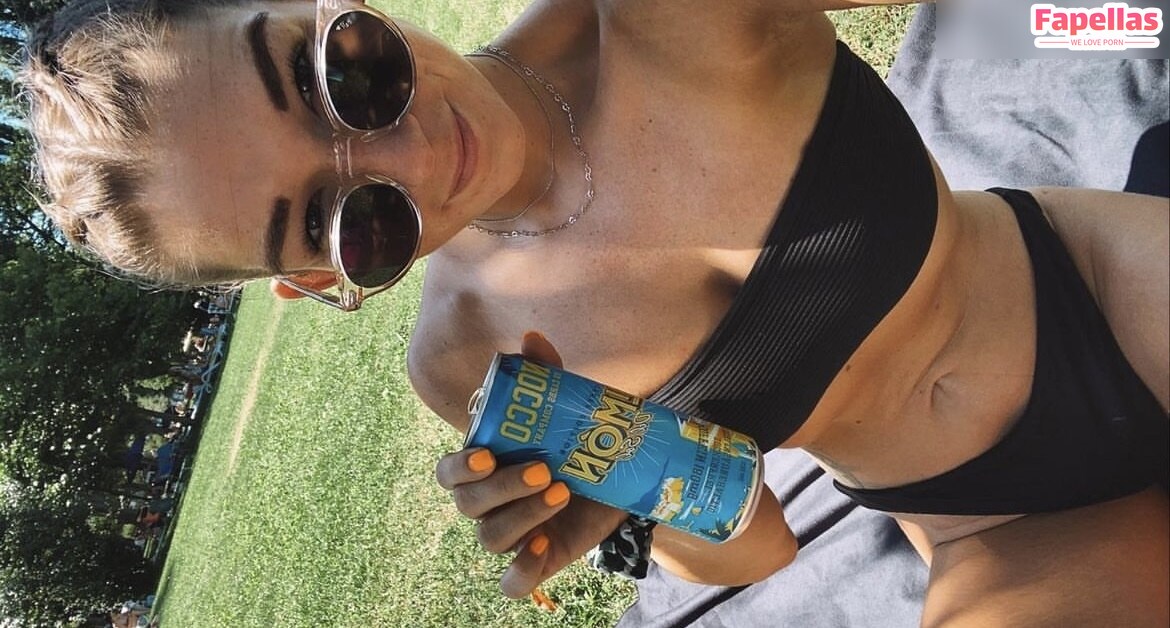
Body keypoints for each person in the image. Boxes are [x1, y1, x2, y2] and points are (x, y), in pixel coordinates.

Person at [20, 1, 1168, 625]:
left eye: (345, 77)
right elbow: (761, 544)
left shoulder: (654, 18)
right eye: (342, 217)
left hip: (1094, 286)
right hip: (978, 522)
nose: (408, 154)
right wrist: (631, 515)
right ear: (320, 281)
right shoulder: (468, 358)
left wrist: (1111, 22)